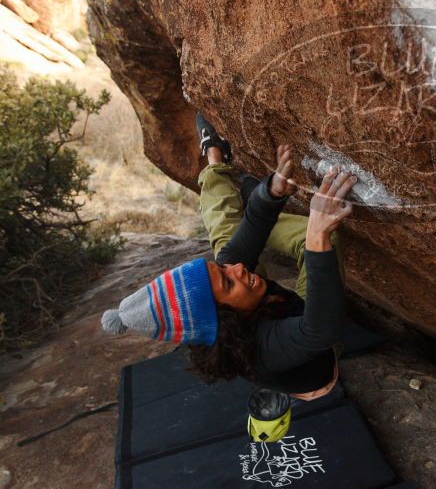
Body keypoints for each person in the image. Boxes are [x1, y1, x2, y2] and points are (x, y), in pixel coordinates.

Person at [101, 113, 357, 402]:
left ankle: (214, 159)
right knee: (323, 238)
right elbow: (321, 329)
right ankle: (237, 191)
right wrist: (316, 234)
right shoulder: (262, 349)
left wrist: (270, 194)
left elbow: (244, 241)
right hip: (314, 346)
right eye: (227, 283)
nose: (237, 269)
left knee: (227, 243)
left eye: (219, 270)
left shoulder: (230, 276)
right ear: (228, 319)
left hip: (265, 311)